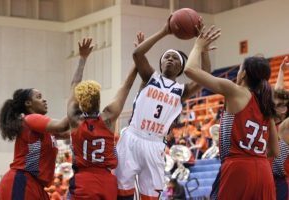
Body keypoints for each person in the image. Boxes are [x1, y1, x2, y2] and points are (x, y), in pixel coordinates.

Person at [115, 19, 214, 199]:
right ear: (160, 64)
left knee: (150, 195)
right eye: (166, 57)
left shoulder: (182, 91)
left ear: (181, 68)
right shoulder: (149, 78)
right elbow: (137, 54)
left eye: (174, 58)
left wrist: (202, 49)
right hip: (133, 137)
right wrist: (164, 31)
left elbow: (205, 76)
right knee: (122, 193)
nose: (169, 59)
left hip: (155, 144)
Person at [184, 25, 279, 199]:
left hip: (238, 167)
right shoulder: (266, 104)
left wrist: (198, 46)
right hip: (263, 170)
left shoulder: (235, 90)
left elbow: (190, 70)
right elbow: (274, 150)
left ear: (242, 75)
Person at [66, 35, 141, 199]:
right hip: (107, 181)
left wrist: (82, 59)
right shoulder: (108, 118)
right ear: (99, 100)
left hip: (83, 180)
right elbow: (126, 87)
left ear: (80, 100)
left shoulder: (74, 119)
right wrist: (138, 59)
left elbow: (74, 86)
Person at [0, 87, 70, 199]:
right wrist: (76, 103)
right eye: (39, 97)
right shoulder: (30, 119)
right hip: (21, 181)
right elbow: (62, 125)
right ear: (28, 103)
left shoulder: (47, 132)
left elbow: (74, 132)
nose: (44, 100)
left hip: (37, 185)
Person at [271, 56, 289, 200]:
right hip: (270, 177)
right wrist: (282, 72)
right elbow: (278, 92)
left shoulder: (285, 125)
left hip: (283, 180)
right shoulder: (273, 122)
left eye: (277, 104)